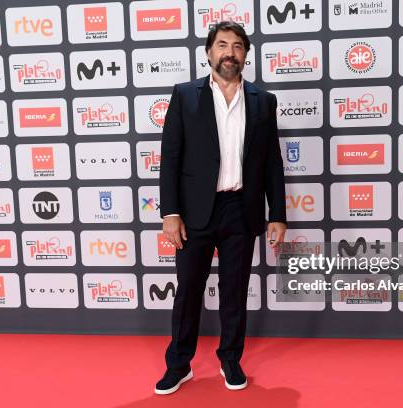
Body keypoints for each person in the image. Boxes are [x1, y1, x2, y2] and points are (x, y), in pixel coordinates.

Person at [155, 21, 287, 395]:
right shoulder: (185, 95)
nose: (230, 52)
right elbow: (170, 157)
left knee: (234, 290)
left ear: (246, 54)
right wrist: (170, 213)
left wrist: (277, 212)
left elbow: (272, 162)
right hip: (195, 211)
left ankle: (230, 359)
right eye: (222, 45)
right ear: (209, 52)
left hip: (240, 209)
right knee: (188, 291)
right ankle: (179, 365)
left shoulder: (264, 101)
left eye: (238, 46)